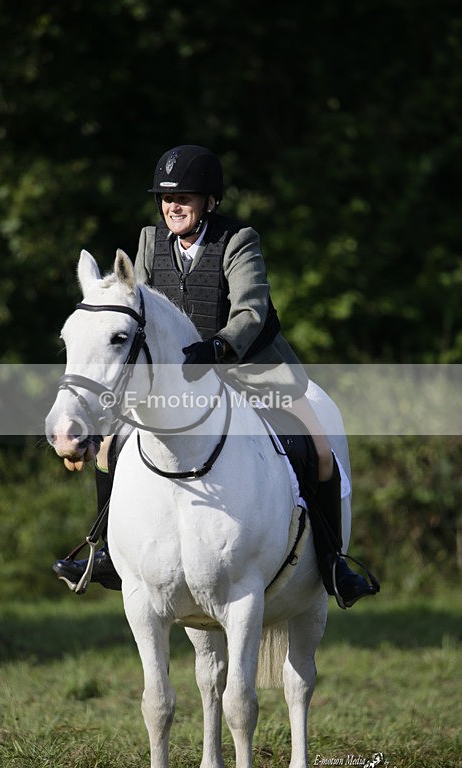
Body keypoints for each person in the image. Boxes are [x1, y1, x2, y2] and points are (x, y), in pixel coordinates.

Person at [53, 145, 379, 608]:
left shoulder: (238, 241)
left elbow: (251, 310)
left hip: (249, 366)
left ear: (210, 200)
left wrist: (219, 346)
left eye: (186, 196)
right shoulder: (149, 243)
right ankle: (105, 551)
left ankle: (331, 562)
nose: (174, 206)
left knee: (320, 449)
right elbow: (137, 310)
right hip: (177, 378)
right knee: (109, 449)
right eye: (167, 198)